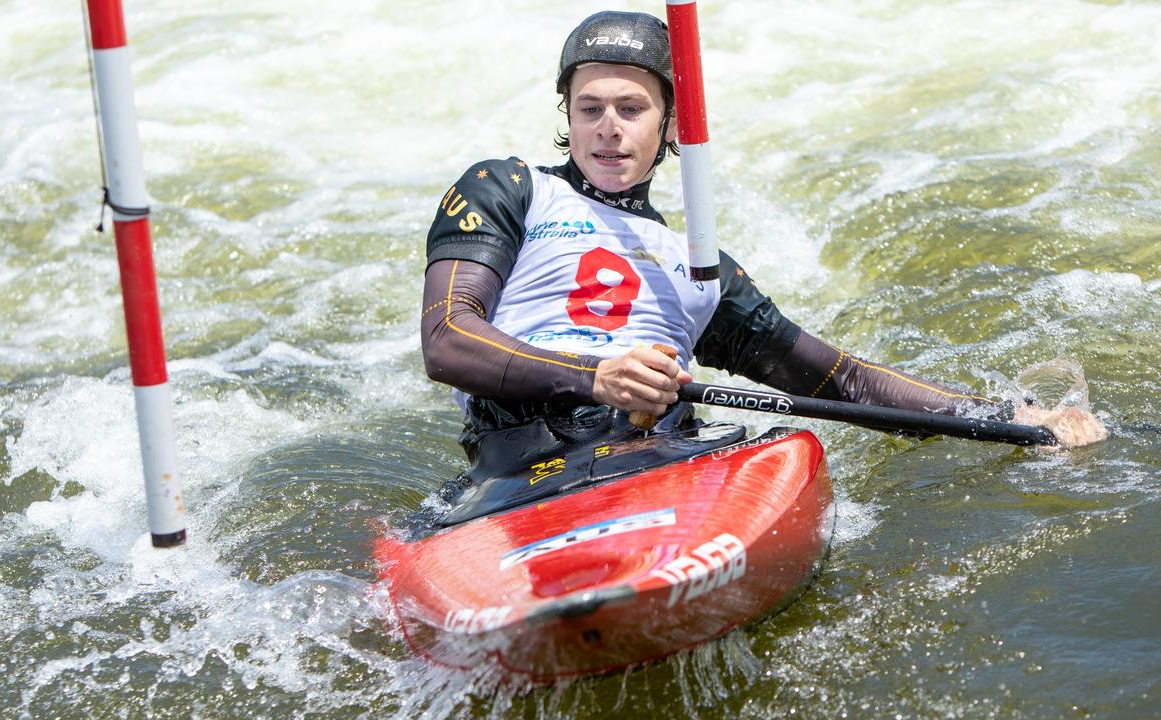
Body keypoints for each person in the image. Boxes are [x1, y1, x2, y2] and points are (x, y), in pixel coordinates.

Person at [420, 10, 1105, 466]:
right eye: (589, 108)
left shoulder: (700, 271)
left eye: (631, 109)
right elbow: (448, 338)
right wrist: (594, 375)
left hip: (650, 457)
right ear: (568, 114)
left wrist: (1016, 417)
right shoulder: (508, 188)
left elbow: (849, 384)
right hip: (518, 457)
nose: (607, 127)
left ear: (671, 125)